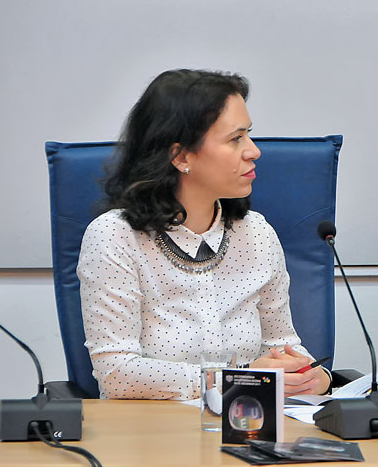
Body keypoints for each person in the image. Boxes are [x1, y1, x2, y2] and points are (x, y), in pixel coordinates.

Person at [78, 69, 332, 399]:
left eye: (249, 135)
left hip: (247, 421)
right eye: (236, 139)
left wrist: (315, 377)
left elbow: (282, 346)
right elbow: (116, 373)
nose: (253, 151)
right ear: (181, 156)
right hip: (149, 428)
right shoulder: (114, 236)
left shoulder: (257, 233)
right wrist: (237, 379)